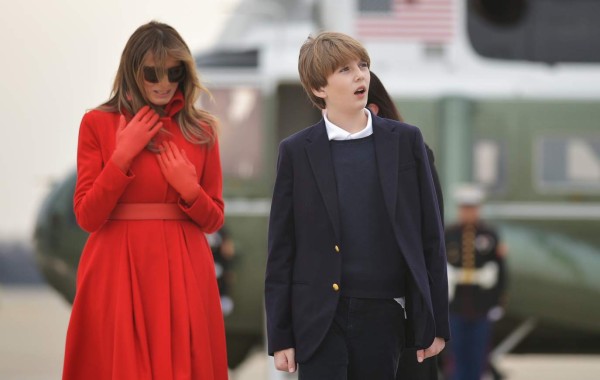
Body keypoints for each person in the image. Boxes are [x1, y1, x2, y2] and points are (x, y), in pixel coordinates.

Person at [265, 31, 449, 379]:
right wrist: (281, 335)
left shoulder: (406, 141)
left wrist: (436, 321)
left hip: (383, 315)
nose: (360, 75)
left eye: (363, 65)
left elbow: (430, 238)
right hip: (317, 319)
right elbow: (281, 249)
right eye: (345, 70)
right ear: (320, 88)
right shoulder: (295, 151)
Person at [62, 21, 228, 380]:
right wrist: (121, 157)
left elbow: (214, 219)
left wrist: (190, 191)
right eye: (152, 72)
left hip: (185, 268)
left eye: (173, 72)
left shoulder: (201, 130)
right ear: (132, 70)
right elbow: (87, 216)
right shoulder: (96, 124)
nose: (164, 82)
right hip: (116, 266)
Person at [365, 71, 444, 380]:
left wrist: (435, 325)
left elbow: (430, 241)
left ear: (372, 110)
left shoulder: (415, 157)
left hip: (405, 312)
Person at [444, 184, 507, 380]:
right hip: (456, 306)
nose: (468, 212)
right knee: (456, 357)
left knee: (478, 357)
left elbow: (500, 271)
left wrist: (497, 302)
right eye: (465, 208)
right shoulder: (449, 234)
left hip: (481, 305)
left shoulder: (489, 235)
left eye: (472, 208)